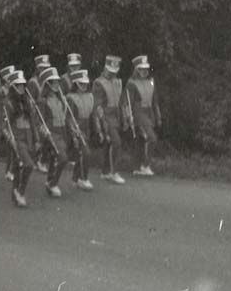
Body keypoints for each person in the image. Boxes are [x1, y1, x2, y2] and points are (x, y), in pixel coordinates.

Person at [0, 67, 38, 207]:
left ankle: (15, 194)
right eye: (18, 85)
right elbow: (4, 126)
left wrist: (36, 139)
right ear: (13, 86)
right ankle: (20, 191)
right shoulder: (8, 103)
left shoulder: (26, 101)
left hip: (28, 138)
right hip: (18, 139)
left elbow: (32, 122)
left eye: (23, 85)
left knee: (17, 166)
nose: (21, 87)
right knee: (29, 165)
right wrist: (11, 140)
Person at [125, 55, 162, 176]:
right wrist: (128, 117)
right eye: (141, 69)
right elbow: (128, 102)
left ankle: (137, 167)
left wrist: (158, 115)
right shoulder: (132, 83)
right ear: (136, 69)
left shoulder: (151, 81)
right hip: (138, 113)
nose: (144, 71)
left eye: (146, 69)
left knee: (140, 140)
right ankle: (145, 165)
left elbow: (155, 100)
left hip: (149, 113)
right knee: (152, 138)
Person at [93, 55, 128, 184]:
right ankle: (114, 172)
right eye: (110, 71)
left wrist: (125, 118)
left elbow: (122, 101)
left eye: (114, 71)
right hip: (106, 116)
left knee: (109, 144)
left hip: (116, 116)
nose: (112, 74)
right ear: (105, 68)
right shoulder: (99, 83)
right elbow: (97, 105)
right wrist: (102, 122)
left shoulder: (118, 82)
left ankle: (105, 171)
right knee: (116, 142)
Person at [64, 69, 96, 190]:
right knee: (86, 153)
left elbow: (92, 114)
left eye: (85, 83)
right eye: (81, 83)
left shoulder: (90, 96)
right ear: (76, 84)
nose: (84, 86)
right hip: (76, 129)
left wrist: (96, 129)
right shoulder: (71, 98)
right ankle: (83, 179)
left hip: (87, 129)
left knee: (81, 154)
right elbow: (69, 117)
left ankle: (75, 178)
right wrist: (74, 133)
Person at [40, 67, 68, 197]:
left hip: (62, 132)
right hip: (52, 133)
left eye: (57, 82)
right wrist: (44, 132)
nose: (57, 84)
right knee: (62, 158)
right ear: (48, 84)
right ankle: (53, 183)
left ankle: (49, 181)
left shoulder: (60, 98)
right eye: (54, 82)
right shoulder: (43, 101)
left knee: (54, 158)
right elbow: (39, 120)